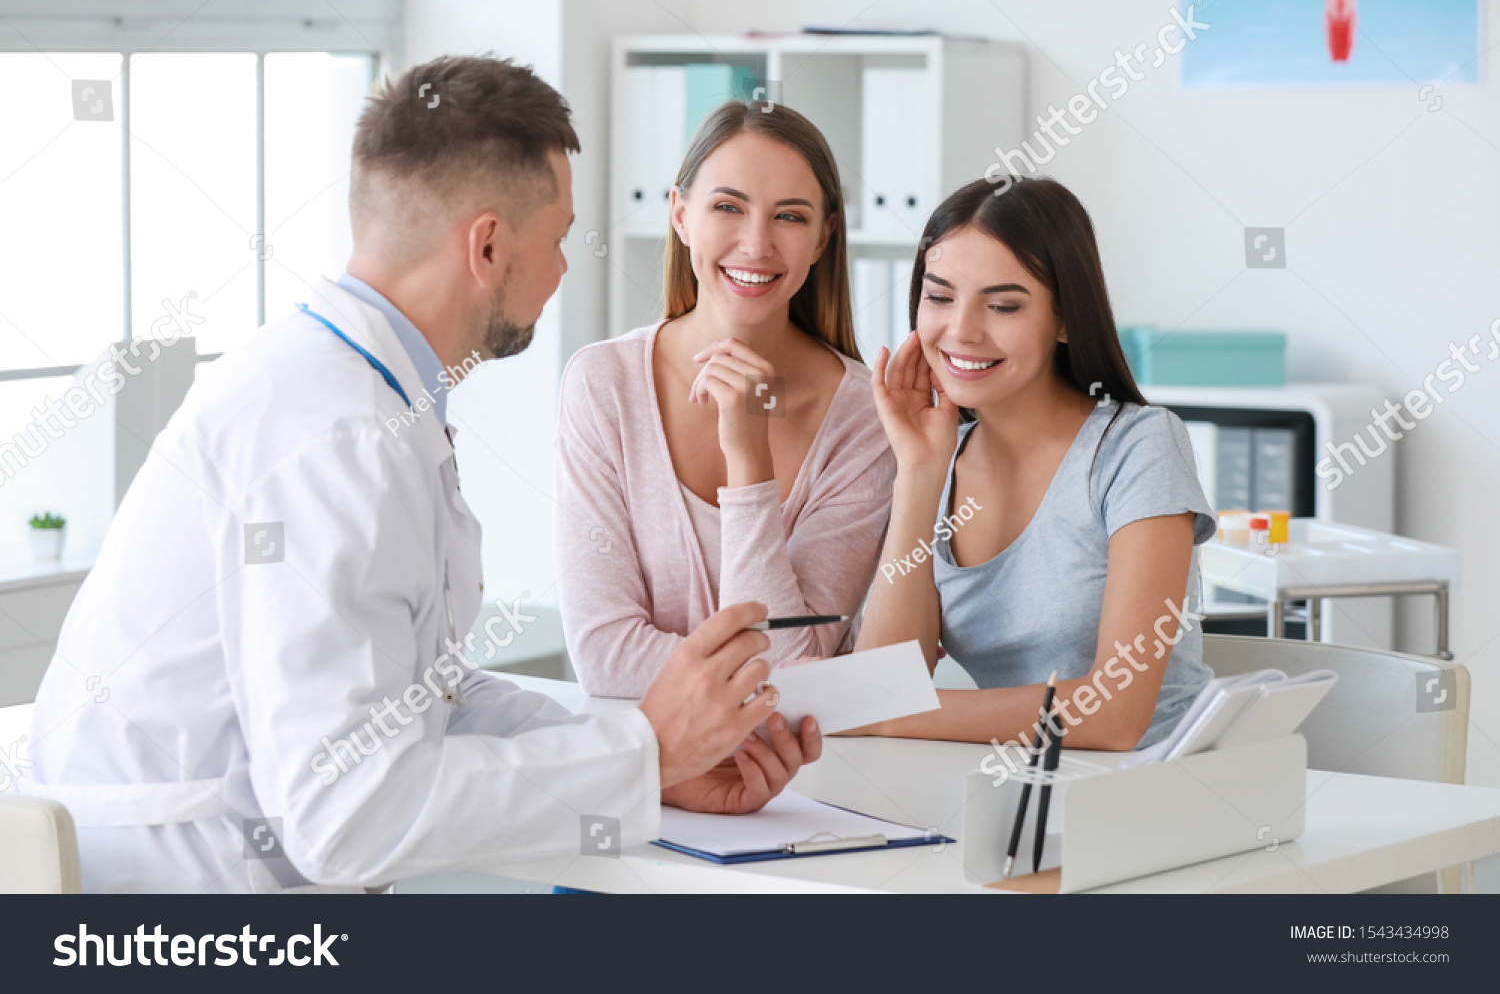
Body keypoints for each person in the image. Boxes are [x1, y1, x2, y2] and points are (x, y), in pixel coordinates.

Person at [19, 55, 819, 893]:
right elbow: (348, 815)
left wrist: (656, 763)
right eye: (556, 240)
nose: (562, 271)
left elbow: (420, 696)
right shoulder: (339, 437)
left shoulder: (351, 387)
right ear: (487, 245)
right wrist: (641, 748)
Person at [854, 176, 1215, 752]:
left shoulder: (1139, 446)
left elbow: (1116, 714)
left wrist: (897, 716)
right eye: (940, 297)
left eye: (1002, 305)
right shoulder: (935, 460)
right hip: (1020, 790)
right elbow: (884, 682)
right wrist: (919, 472)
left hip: (1159, 785)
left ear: (1068, 319)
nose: (962, 331)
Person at [555, 101, 896, 698]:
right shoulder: (603, 384)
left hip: (807, 782)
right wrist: (766, 676)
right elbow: (604, 655)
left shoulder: (865, 417)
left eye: (789, 216)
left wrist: (749, 460)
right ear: (681, 215)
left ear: (823, 238)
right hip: (647, 772)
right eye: (728, 207)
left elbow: (790, 654)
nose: (756, 244)